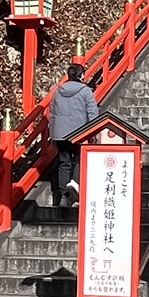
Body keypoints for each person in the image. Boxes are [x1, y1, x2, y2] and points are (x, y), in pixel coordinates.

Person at [49, 60, 98, 204]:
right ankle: (74, 184)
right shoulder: (85, 91)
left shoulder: (58, 91)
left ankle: (63, 194)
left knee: (64, 163)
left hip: (60, 133)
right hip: (79, 132)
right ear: (81, 75)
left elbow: (52, 113)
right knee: (79, 159)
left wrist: (52, 134)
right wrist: (93, 132)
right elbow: (92, 112)